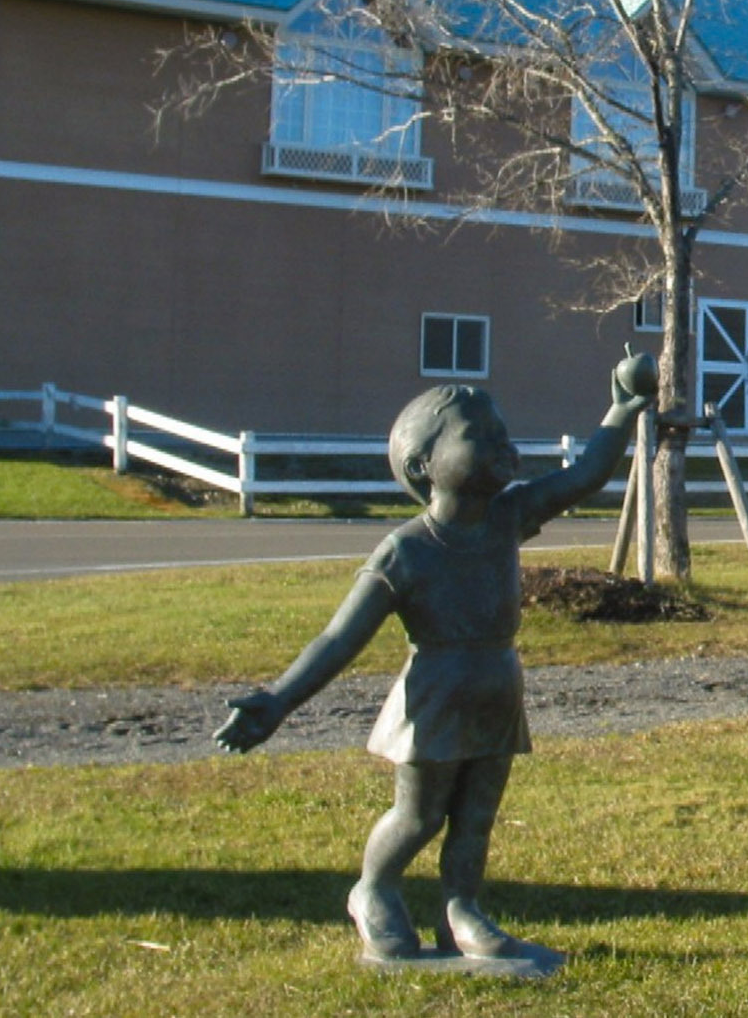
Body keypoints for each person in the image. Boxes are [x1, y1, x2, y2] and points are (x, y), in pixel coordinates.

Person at [215, 354, 654, 967]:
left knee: (476, 816)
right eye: (478, 435)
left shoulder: (509, 515)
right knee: (420, 814)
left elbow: (583, 475)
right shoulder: (406, 552)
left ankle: (461, 911)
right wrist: (277, 699)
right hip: (435, 696)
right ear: (423, 466)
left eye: (501, 432)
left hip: (497, 684)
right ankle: (373, 888)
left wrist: (621, 410)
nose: (501, 444)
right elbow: (338, 639)